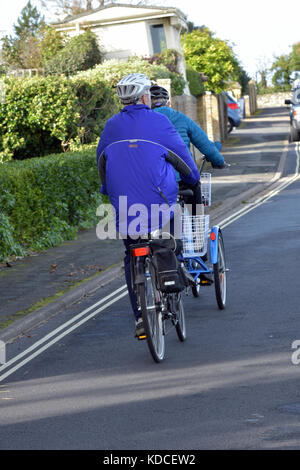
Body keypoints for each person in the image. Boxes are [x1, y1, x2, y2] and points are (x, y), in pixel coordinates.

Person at [96, 73, 200, 338]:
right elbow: (184, 162)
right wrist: (192, 180)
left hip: (124, 208)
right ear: (145, 97)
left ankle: (140, 318)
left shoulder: (110, 126)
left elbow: (102, 164)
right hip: (160, 204)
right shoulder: (160, 121)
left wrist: (108, 191)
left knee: (132, 255)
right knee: (170, 237)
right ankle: (173, 274)